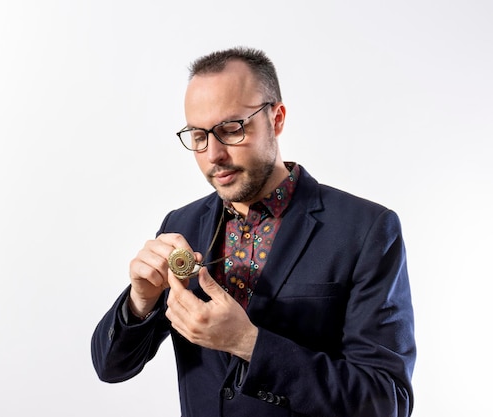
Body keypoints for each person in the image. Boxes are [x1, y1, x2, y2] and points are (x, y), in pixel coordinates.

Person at [91, 46, 416, 417]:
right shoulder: (180, 225)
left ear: (276, 119)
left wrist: (248, 343)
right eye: (198, 136)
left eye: (231, 129)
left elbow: (386, 402)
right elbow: (110, 367)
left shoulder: (365, 229)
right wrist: (140, 300)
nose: (213, 154)